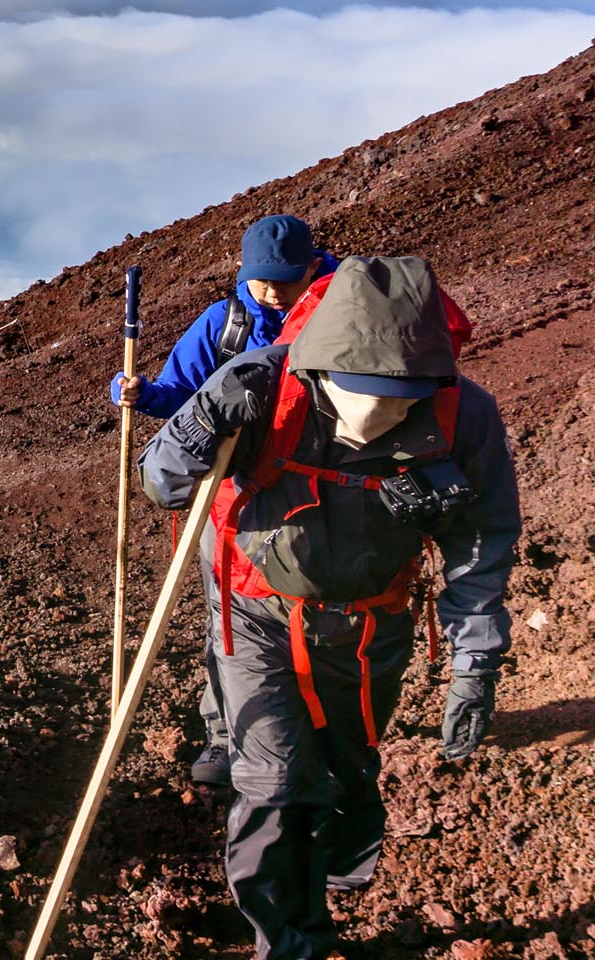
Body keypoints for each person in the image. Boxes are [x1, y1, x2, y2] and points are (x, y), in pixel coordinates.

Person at [138, 256, 516, 960]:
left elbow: (479, 541)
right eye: (359, 393)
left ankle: (334, 873)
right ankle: (289, 942)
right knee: (275, 784)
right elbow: (161, 482)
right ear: (318, 366)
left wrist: (475, 659)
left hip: (374, 623)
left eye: (397, 399)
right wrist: (202, 424)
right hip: (256, 613)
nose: (375, 416)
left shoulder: (464, 412)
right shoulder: (258, 386)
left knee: (347, 772)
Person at [111, 213, 339, 787]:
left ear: (313, 265)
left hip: (320, 496)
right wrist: (139, 393)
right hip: (232, 499)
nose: (271, 292)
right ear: (243, 271)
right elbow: (182, 393)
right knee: (231, 619)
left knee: (320, 611)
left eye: (284, 280)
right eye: (261, 279)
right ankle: (226, 735)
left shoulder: (341, 314)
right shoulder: (227, 322)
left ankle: (318, 727)